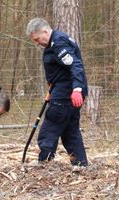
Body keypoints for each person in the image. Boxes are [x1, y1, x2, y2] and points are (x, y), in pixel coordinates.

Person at [26, 18, 88, 166]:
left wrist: (77, 89)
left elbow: (75, 65)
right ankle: (80, 164)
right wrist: (52, 87)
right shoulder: (57, 40)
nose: (37, 43)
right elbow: (62, 70)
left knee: (49, 129)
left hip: (65, 95)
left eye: (37, 39)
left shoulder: (58, 44)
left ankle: (44, 164)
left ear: (45, 31)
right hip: (63, 91)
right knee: (70, 131)